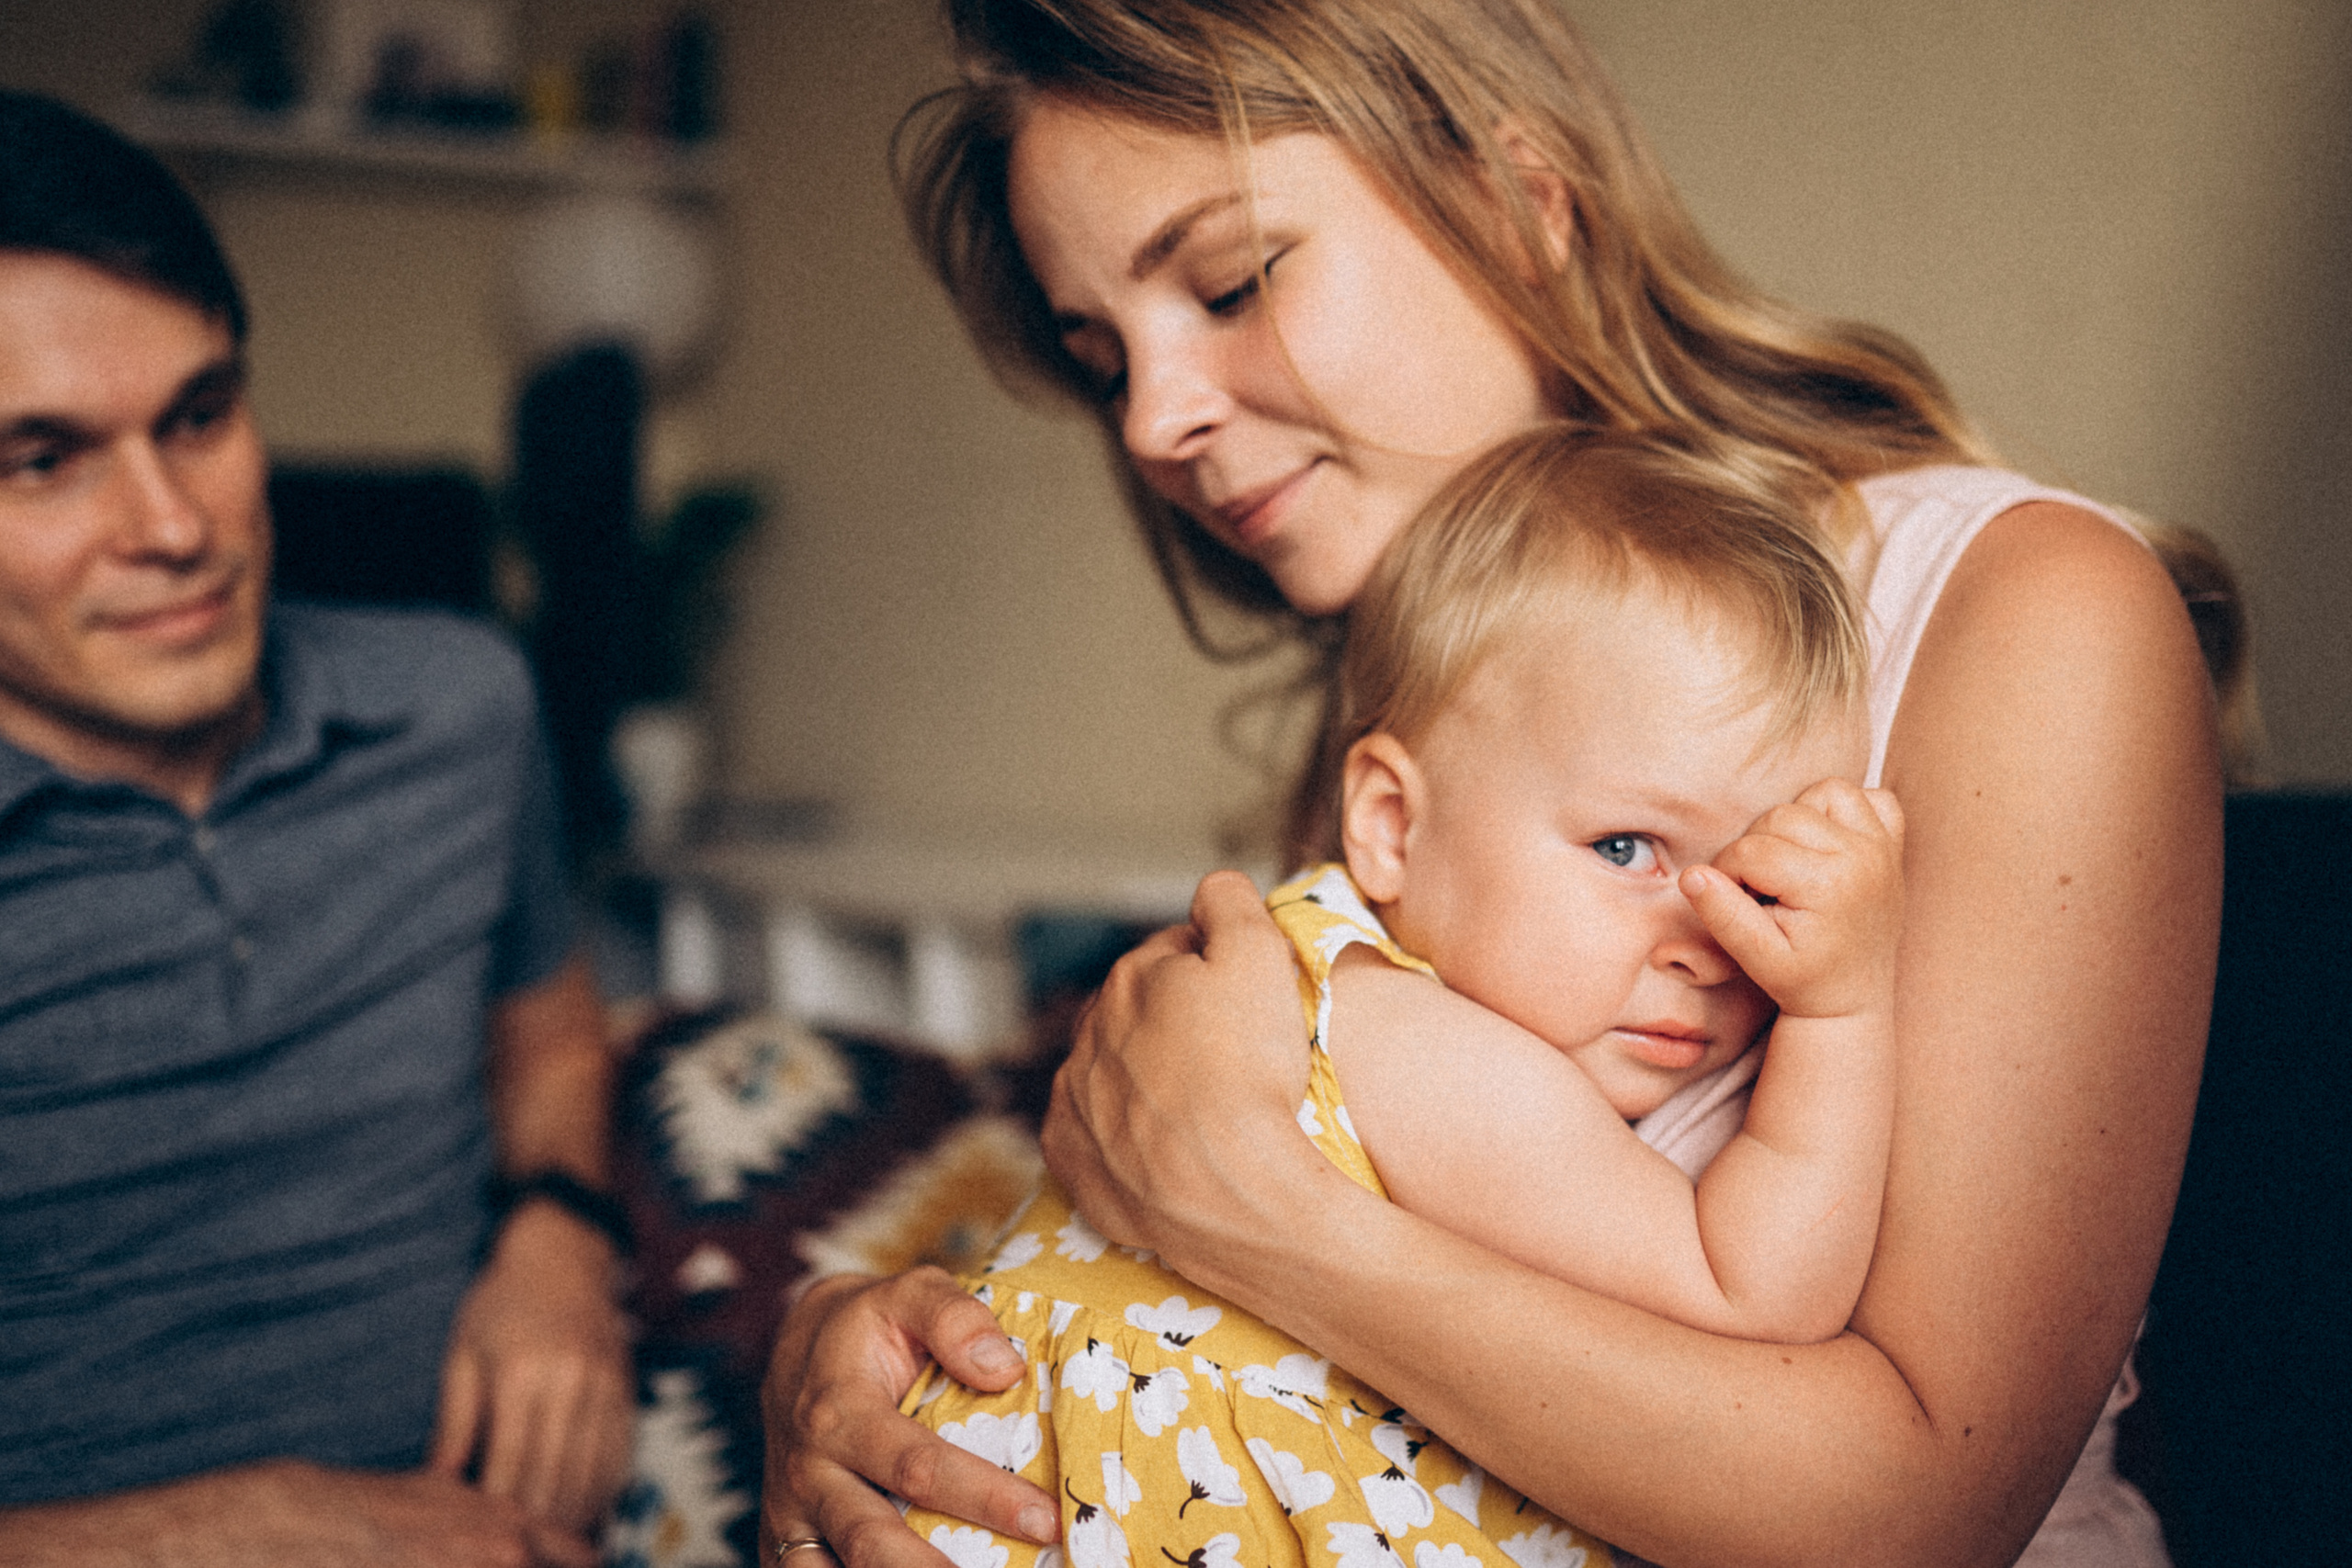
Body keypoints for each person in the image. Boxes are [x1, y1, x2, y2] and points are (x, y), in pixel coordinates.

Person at [761, 4, 2222, 1566]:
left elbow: (1917, 1515)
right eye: (1101, 357)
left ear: (1522, 207)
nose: (1153, 420)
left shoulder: (2026, 612)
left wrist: (1256, 1212)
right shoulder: (1417, 722)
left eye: (1233, 282)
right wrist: (910, 1365)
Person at [899, 429, 1905, 1568]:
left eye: (1759, 883)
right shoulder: (1424, 1052)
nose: (1711, 947)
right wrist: (1842, 1009)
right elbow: (1752, 1291)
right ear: (1389, 824)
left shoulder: (1311, 972)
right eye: (1626, 847)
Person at [0, 91, 632, 1566]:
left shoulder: (460, 706)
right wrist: (228, 1527)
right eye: (43, 458)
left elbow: (549, 1034)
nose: (173, 526)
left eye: (199, 416)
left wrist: (557, 1233)